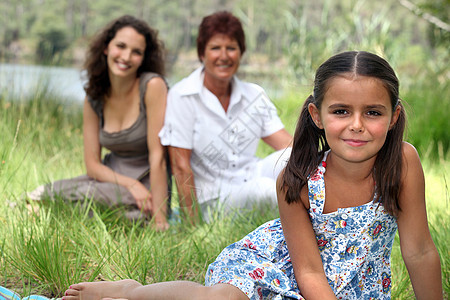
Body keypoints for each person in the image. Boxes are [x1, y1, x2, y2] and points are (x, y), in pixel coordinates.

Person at [62, 51, 443, 300]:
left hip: (355, 288)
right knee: (218, 299)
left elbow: (420, 250)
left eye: (373, 113)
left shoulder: (403, 162)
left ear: (393, 117)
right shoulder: (296, 178)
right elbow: (308, 270)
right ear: (316, 116)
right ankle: (131, 292)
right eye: (341, 111)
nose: (356, 125)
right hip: (283, 266)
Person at [27, 15, 171, 231]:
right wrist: (129, 184)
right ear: (106, 48)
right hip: (110, 179)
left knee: (87, 196)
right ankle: (43, 207)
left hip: (148, 187)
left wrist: (161, 221)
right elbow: (92, 165)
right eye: (120, 46)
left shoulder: (152, 86)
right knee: (57, 189)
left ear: (143, 58)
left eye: (136, 52)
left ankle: (48, 210)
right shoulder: (94, 96)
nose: (126, 57)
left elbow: (158, 158)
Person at [158, 11, 292, 222]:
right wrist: (191, 225)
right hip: (214, 198)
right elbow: (180, 166)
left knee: (295, 156)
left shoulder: (254, 94)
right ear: (202, 54)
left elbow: (286, 143)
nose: (224, 56)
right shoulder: (183, 96)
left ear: (240, 53)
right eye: (215, 48)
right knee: (267, 190)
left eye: (231, 48)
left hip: (251, 173)